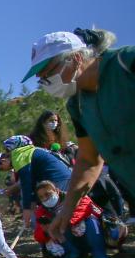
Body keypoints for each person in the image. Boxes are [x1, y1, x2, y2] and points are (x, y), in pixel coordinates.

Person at [20, 29, 135, 246]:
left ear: (76, 57)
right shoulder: (78, 106)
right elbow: (89, 161)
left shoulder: (126, 64)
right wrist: (67, 209)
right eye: (41, 79)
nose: (45, 83)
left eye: (48, 74)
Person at [1, 134, 72, 230]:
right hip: (65, 177)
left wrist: (26, 208)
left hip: (58, 181)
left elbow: (26, 183)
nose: (7, 154)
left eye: (7, 150)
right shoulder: (32, 151)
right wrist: (33, 200)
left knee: (63, 214)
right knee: (67, 211)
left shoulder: (20, 155)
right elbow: (32, 179)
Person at [33, 180, 109, 258]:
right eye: (41, 197)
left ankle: (99, 257)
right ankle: (73, 255)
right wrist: (45, 230)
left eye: (47, 194)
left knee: (91, 220)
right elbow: (38, 235)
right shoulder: (42, 211)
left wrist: (61, 222)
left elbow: (84, 209)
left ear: (56, 191)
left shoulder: (74, 198)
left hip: (88, 234)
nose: (45, 199)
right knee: (51, 235)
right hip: (67, 239)